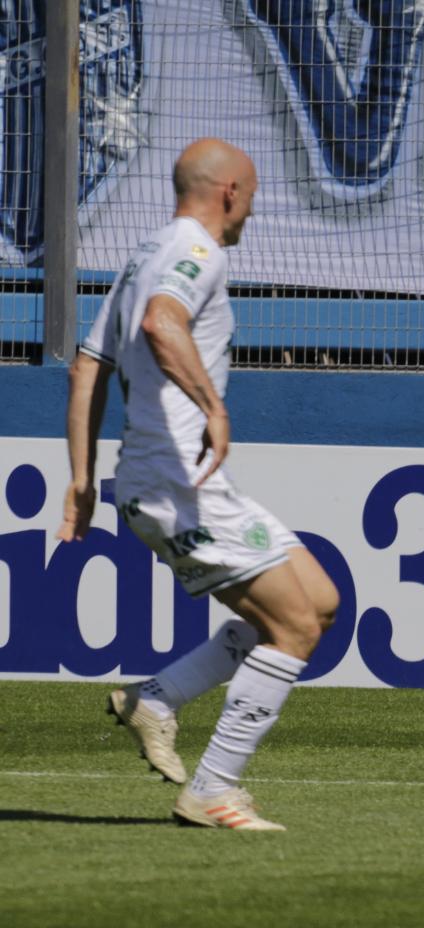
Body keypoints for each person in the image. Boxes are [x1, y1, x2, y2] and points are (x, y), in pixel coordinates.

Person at [57, 138, 338, 831]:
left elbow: (86, 368)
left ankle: (158, 697)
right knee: (294, 627)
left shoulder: (142, 254)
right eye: (254, 196)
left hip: (172, 479)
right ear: (231, 193)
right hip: (178, 483)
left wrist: (83, 479)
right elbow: (162, 322)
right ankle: (213, 789)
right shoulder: (198, 253)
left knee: (320, 601)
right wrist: (212, 403)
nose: (252, 211)